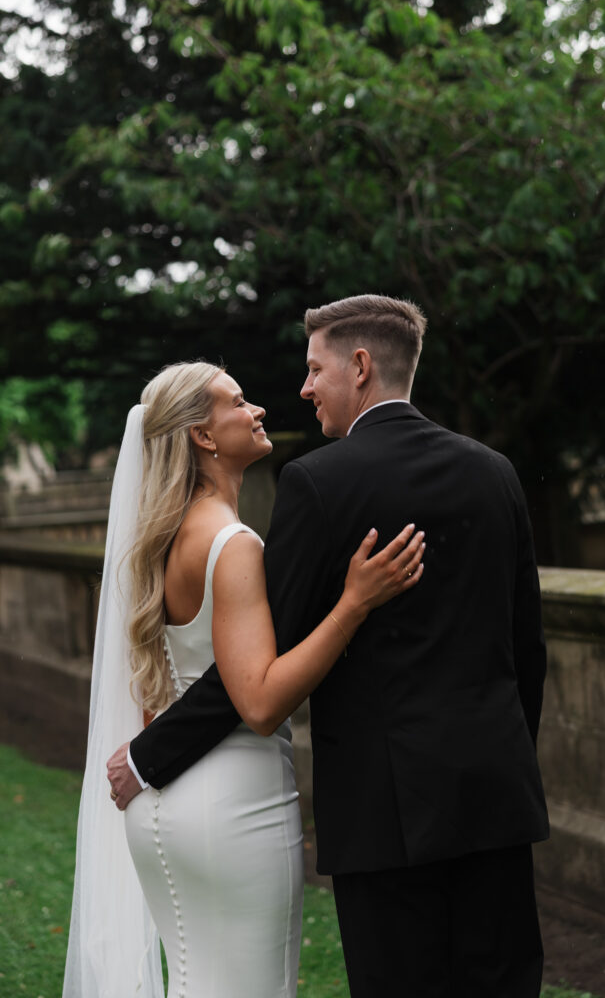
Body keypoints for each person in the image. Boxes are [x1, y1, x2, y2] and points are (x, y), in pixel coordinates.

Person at [110, 294, 550, 997]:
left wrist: (151, 753)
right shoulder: (493, 471)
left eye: (315, 369)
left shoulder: (319, 482)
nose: (303, 387)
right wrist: (497, 756)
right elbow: (527, 649)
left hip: (384, 812)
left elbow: (253, 667)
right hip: (494, 796)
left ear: (361, 365)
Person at [63, 359, 425, 998]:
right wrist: (354, 603)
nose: (258, 409)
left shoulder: (164, 538)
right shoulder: (232, 545)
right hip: (233, 808)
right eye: (238, 402)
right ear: (203, 436)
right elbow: (258, 701)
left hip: (164, 805)